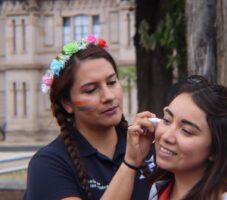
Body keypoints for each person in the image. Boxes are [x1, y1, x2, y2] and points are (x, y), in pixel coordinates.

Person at [23, 35, 153, 200]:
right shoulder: (48, 164)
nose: (108, 96)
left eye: (112, 82)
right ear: (67, 103)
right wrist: (130, 164)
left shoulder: (148, 145)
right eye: (91, 90)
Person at [128, 75, 227, 200]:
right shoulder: (158, 190)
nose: (167, 136)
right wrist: (131, 161)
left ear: (216, 150)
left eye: (186, 131)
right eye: (167, 120)